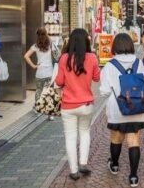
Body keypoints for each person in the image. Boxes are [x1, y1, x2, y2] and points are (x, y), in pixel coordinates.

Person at [100, 33, 144, 188]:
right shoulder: (138, 63)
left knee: (116, 139)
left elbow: (104, 91)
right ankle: (133, 176)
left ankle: (114, 165)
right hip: (137, 107)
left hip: (117, 108)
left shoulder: (109, 65)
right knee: (134, 141)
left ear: (115, 46)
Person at [55, 29, 101, 180]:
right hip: (86, 104)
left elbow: (59, 82)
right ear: (86, 41)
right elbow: (96, 78)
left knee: (70, 137)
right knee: (85, 133)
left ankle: (74, 171)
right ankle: (83, 163)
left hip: (68, 105)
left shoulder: (64, 58)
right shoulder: (92, 57)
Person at [25, 28, 57, 120]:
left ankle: (37, 109)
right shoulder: (50, 44)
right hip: (49, 72)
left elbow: (26, 56)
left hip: (39, 72)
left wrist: (34, 66)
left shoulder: (35, 46)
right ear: (46, 34)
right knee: (49, 92)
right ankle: (50, 114)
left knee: (39, 90)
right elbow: (57, 55)